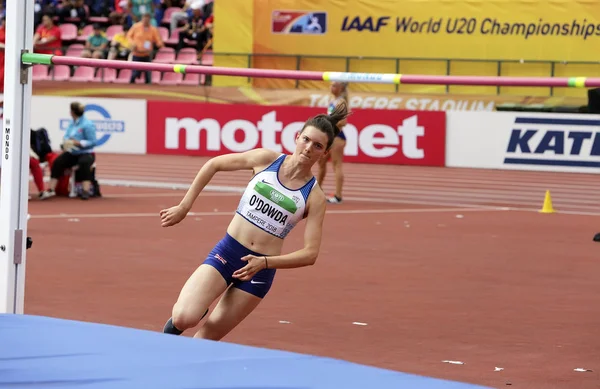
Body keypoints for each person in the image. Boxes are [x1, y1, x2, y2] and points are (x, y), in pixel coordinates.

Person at [160, 102, 351, 340]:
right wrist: (184, 206)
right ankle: (195, 311)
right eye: (306, 140)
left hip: (259, 271)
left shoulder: (314, 197)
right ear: (297, 137)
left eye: (318, 145)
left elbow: (310, 254)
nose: (308, 148)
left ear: (325, 153)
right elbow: (214, 164)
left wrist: (265, 263)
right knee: (183, 318)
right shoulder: (266, 160)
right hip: (227, 252)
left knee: (205, 340)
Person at [39, 102, 97, 200]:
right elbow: (67, 136)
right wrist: (66, 143)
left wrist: (79, 143)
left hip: (86, 152)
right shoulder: (72, 123)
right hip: (73, 152)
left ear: (72, 112)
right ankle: (51, 189)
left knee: (84, 163)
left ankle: (85, 190)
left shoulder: (88, 125)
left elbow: (93, 142)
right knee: (58, 162)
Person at [317, 81, 350, 204]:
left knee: (337, 165)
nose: (331, 87)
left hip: (337, 137)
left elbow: (344, 121)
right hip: (329, 136)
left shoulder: (341, 102)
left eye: (335, 85)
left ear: (341, 88)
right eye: (331, 85)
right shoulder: (333, 100)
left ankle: (338, 195)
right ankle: (317, 190)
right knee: (321, 161)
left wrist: (328, 122)